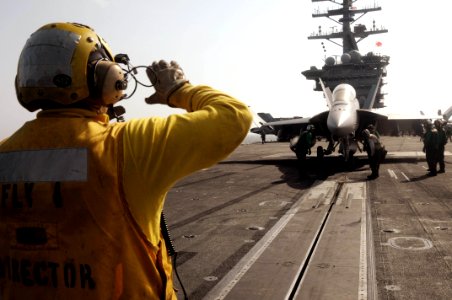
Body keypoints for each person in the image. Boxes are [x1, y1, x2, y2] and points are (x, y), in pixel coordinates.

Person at [0, 23, 252, 299]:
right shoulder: (127, 145)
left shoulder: (5, 154)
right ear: (108, 77)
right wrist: (178, 89)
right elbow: (234, 117)